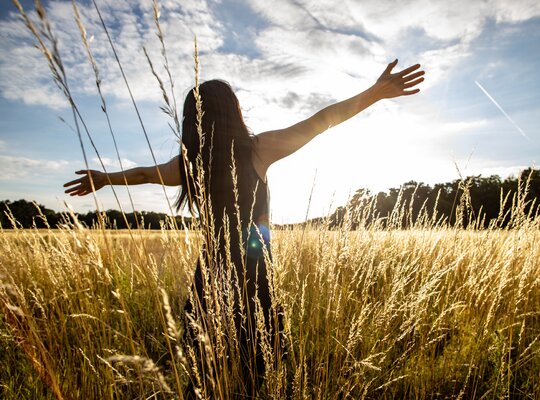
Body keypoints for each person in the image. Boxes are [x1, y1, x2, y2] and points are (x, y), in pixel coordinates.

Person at [63, 59, 425, 398]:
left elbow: (143, 174)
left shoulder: (188, 165)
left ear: (193, 121)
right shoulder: (258, 149)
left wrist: (105, 178)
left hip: (211, 275)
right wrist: (374, 94)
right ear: (234, 112)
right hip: (256, 275)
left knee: (205, 371)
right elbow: (322, 120)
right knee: (256, 370)